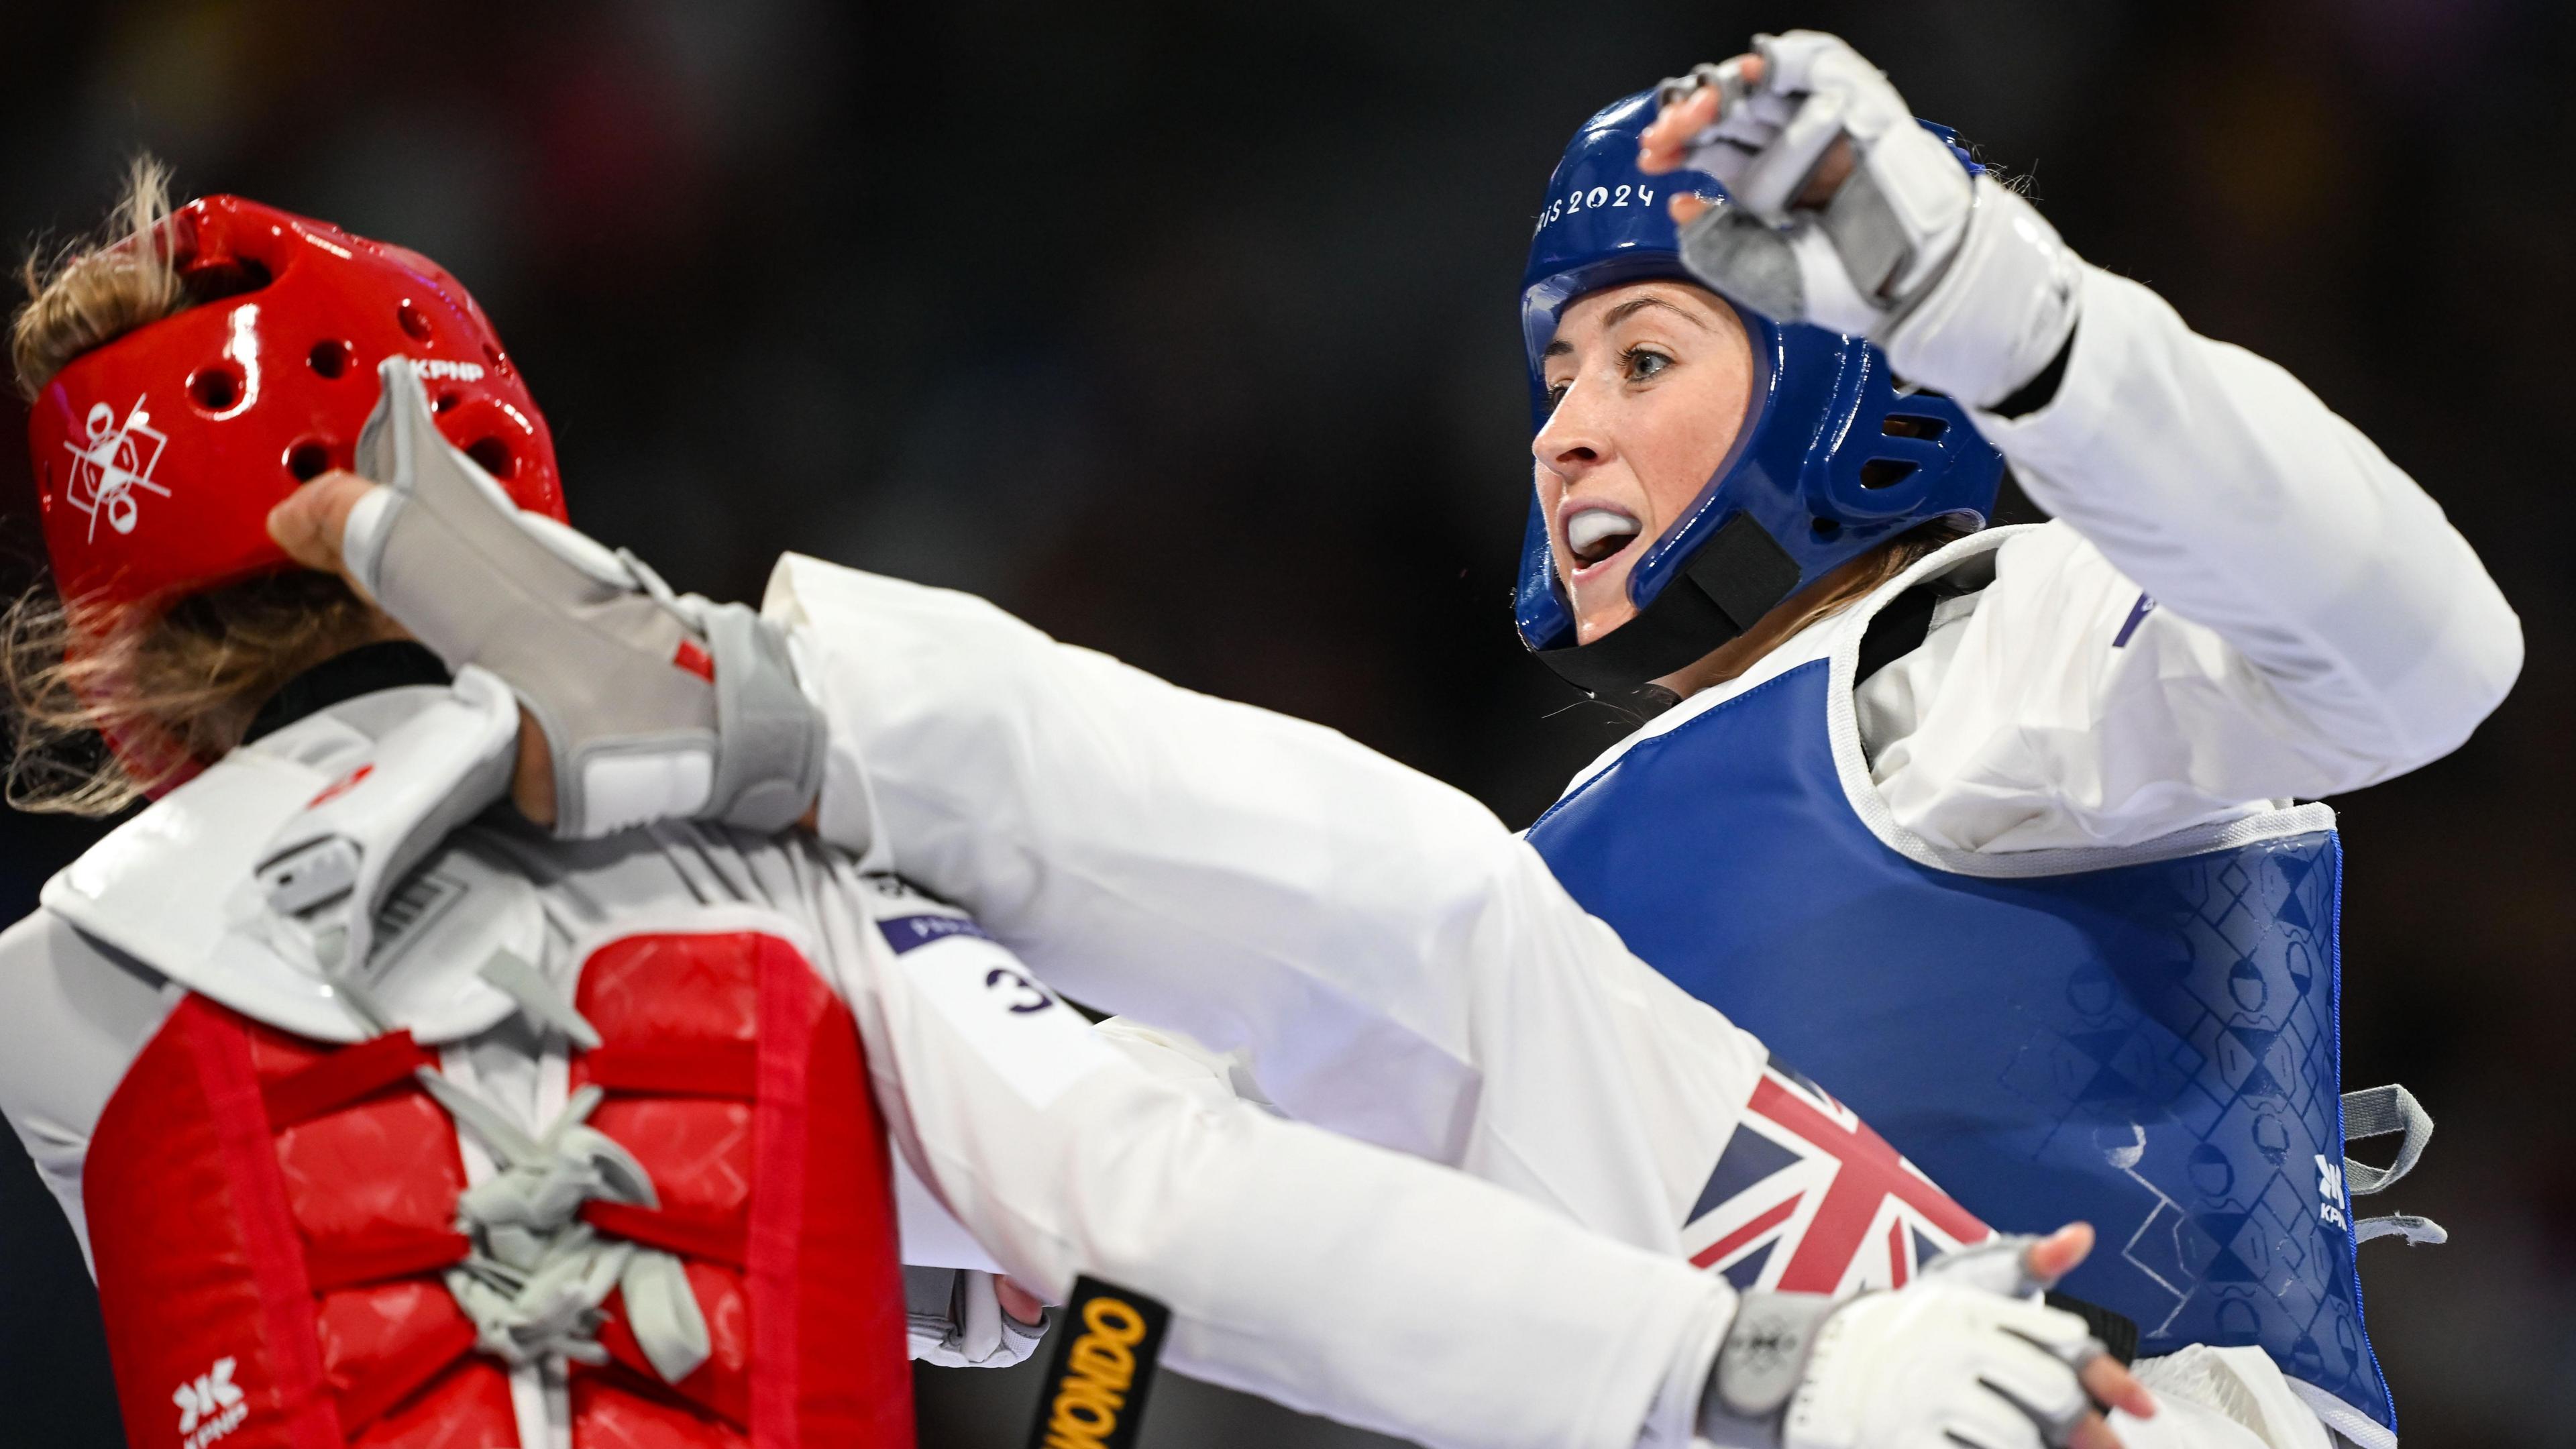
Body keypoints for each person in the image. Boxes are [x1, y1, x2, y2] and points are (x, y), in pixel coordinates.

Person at [277, 30, 2516, 1449]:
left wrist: (2005, 307)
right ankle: (773, 912)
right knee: (1208, 1077)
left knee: (1426, 938)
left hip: (2112, 1419)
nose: (1564, 435)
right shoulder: (1566, 905)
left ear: (1854, 375)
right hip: (1803, 1400)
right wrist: (1063, 1392)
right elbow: (1201, 1243)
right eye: (1554, 378)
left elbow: (2426, 657)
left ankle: (761, 708)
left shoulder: (1998, 646)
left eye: (1640, 353)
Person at [0, 173, 2159, 1449]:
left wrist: (962, 1282)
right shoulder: (763, 874)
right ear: (478, 477)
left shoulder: (52, 1001)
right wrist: (1757, 1367)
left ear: (103, 641)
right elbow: (1172, 1219)